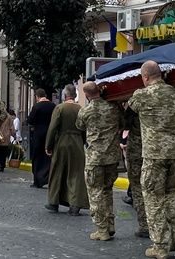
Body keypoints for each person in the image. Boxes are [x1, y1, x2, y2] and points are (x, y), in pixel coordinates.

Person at [128, 60, 175, 259]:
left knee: (153, 197)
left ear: (145, 77)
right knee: (171, 191)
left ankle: (160, 245)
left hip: (154, 154)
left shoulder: (141, 95)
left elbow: (129, 109)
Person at [76, 81, 121, 241]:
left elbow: (80, 126)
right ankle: (110, 225)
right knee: (108, 191)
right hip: (112, 156)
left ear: (86, 95)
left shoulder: (85, 110)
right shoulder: (113, 107)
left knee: (95, 193)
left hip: (95, 157)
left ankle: (102, 230)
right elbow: (122, 123)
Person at [44, 85, 89, 216]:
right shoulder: (80, 109)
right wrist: (83, 141)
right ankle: (75, 205)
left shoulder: (60, 108)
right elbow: (84, 128)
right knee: (75, 173)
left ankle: (54, 202)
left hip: (62, 142)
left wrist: (49, 145)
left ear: (65, 95)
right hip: (77, 143)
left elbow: (53, 128)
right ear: (74, 95)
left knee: (57, 172)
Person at [123, 105, 149, 239]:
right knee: (165, 190)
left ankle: (145, 225)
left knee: (137, 187)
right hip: (160, 149)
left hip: (137, 150)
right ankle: (174, 228)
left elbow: (124, 123)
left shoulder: (137, 100)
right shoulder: (173, 96)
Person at [26, 88, 56, 188]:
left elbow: (30, 120)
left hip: (38, 134)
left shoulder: (36, 106)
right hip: (50, 134)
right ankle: (48, 178)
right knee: (48, 156)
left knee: (37, 157)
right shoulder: (53, 106)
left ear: (37, 96)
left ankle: (37, 180)